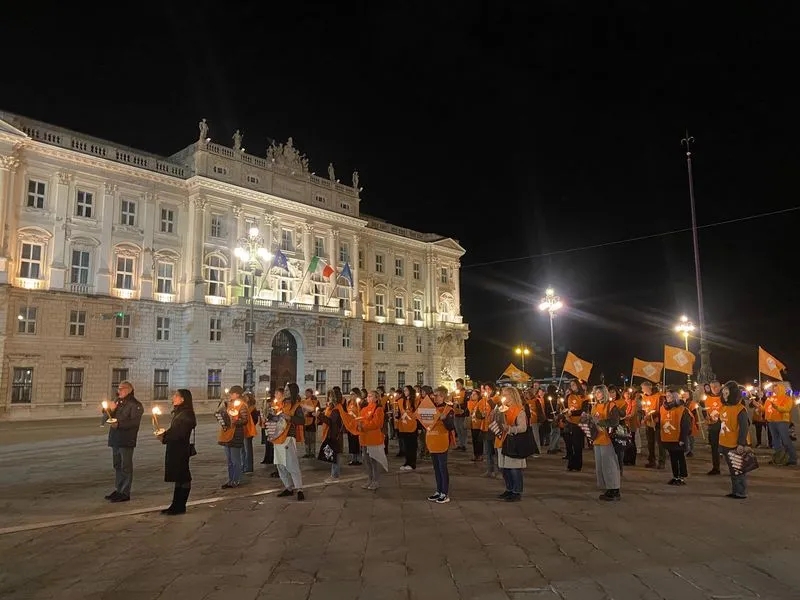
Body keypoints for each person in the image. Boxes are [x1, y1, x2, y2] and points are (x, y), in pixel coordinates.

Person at [158, 388, 197, 515]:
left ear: (182, 399)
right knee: (178, 477)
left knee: (183, 476)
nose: (173, 398)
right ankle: (175, 504)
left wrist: (164, 437)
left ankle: (180, 506)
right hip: (175, 448)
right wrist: (164, 434)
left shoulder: (186, 414)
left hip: (181, 448)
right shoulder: (180, 413)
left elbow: (180, 433)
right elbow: (174, 429)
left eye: (176, 396)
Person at [104, 380, 144, 503]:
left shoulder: (135, 404)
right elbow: (107, 416)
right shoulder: (117, 401)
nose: (118, 391)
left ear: (129, 390)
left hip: (126, 439)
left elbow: (134, 422)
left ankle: (125, 492)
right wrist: (109, 409)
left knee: (126, 466)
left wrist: (119, 424)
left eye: (121, 389)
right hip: (115, 438)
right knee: (117, 465)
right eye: (118, 388)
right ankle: (118, 489)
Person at [273, 383, 307, 500]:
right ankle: (288, 487)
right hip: (277, 437)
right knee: (280, 465)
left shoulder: (296, 406)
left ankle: (299, 489)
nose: (285, 391)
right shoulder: (281, 404)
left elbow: (302, 420)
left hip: (288, 437)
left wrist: (290, 418)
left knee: (292, 464)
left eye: (287, 390)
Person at [719, 381, 752, 499]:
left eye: (727, 392)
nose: (724, 395)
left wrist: (741, 443)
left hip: (735, 444)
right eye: (723, 393)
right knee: (732, 469)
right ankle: (735, 491)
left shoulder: (740, 409)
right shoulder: (723, 407)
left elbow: (744, 427)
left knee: (738, 469)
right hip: (725, 442)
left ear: (733, 393)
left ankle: (741, 492)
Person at [496, 387, 528, 502]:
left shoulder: (519, 410)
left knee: (514, 469)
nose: (503, 397)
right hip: (501, 441)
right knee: (504, 469)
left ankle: (517, 491)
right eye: (502, 394)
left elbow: (523, 428)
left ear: (513, 396)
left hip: (513, 443)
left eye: (506, 394)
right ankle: (509, 489)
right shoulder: (501, 409)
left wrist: (510, 429)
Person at [590, 385, 622, 501]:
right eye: (595, 393)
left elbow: (614, 421)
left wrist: (601, 422)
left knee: (610, 465)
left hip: (607, 439)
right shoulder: (594, 406)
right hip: (597, 438)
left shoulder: (611, 406)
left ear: (604, 393)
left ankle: (614, 489)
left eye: (599, 392)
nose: (597, 395)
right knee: (600, 465)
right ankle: (607, 486)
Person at [425, 386, 455, 503]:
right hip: (432, 441)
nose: (434, 397)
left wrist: (444, 419)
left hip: (442, 441)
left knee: (442, 468)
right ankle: (438, 490)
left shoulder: (448, 409)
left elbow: (451, 426)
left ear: (443, 396)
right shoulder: (432, 408)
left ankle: (444, 493)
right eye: (434, 395)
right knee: (436, 468)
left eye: (437, 395)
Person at [217, 385, 247, 489]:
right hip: (226, 434)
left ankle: (236, 480)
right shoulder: (228, 403)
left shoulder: (242, 405)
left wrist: (236, 421)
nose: (230, 394)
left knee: (235, 459)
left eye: (232, 393)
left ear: (237, 394)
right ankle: (230, 480)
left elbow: (245, 420)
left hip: (236, 434)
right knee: (229, 460)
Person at [661, 387, 692, 485]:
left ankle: (681, 477)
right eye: (667, 396)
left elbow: (686, 425)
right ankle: (675, 476)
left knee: (680, 457)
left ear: (675, 397)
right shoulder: (663, 408)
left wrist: (682, 438)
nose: (668, 398)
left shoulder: (682, 409)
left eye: (670, 396)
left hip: (678, 438)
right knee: (672, 458)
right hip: (668, 437)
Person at [359, 390, 387, 490]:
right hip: (364, 438)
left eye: (371, 396)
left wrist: (364, 425)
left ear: (376, 398)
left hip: (374, 439)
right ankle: (369, 479)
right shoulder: (364, 409)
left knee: (374, 460)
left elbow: (377, 423)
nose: (368, 398)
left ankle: (375, 480)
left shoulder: (378, 409)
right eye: (368, 396)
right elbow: (361, 419)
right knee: (366, 460)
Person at [764, 383, 797, 466]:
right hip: (771, 421)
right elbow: (766, 409)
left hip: (782, 421)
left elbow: (787, 408)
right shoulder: (770, 398)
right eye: (774, 388)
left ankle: (792, 459)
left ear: (781, 389)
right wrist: (759, 406)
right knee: (776, 442)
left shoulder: (787, 398)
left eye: (776, 388)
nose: (775, 390)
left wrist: (777, 407)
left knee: (785, 440)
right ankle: (779, 458)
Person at [319, 387, 346, 483]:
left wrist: (320, 416)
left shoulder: (337, 409)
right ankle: (334, 474)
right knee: (332, 454)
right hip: (330, 434)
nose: (329, 398)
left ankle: (335, 475)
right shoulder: (331, 408)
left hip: (334, 435)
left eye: (330, 396)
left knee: (335, 455)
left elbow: (331, 422)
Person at [565, 380, 590, 472]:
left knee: (577, 445)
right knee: (569, 444)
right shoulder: (569, 396)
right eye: (571, 385)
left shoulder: (584, 397)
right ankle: (570, 464)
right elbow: (564, 407)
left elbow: (583, 411)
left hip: (579, 423)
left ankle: (578, 465)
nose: (573, 386)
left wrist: (572, 413)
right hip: (569, 423)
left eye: (574, 384)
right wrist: (565, 414)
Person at [642, 381, 666, 469]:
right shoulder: (644, 397)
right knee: (650, 442)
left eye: (643, 388)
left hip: (658, 422)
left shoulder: (660, 396)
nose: (642, 390)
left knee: (660, 443)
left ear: (648, 388)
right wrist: (644, 416)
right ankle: (652, 460)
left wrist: (652, 415)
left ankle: (661, 461)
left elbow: (661, 409)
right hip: (649, 423)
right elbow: (644, 408)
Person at [704, 380, 723, 475]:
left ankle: (734, 468)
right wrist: (706, 417)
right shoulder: (707, 398)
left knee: (728, 448)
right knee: (714, 448)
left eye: (716, 386)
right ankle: (716, 467)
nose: (715, 388)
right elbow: (705, 411)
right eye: (712, 387)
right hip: (713, 427)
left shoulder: (724, 397)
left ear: (720, 386)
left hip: (724, 427)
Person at [398, 385, 419, 471]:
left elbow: (418, 414)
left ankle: (412, 463)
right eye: (404, 390)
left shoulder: (415, 401)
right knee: (406, 446)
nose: (405, 392)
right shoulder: (401, 401)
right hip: (404, 426)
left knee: (412, 446)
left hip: (413, 426)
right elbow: (400, 412)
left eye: (406, 390)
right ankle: (407, 462)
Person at [241, 392, 258, 474]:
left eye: (246, 397)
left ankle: (249, 467)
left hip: (249, 430)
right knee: (242, 449)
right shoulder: (243, 406)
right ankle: (243, 465)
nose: (244, 398)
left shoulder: (252, 408)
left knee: (248, 449)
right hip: (242, 430)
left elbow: (255, 420)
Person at [467, 388, 484, 462]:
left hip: (479, 424)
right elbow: (470, 411)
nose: (472, 395)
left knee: (479, 440)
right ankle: (475, 454)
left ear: (478, 396)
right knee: (474, 440)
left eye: (474, 394)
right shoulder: (470, 402)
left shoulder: (481, 402)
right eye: (472, 394)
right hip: (473, 424)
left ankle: (480, 455)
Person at [302, 388, 320, 458]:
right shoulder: (304, 401)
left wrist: (309, 413)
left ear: (311, 394)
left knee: (312, 438)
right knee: (306, 438)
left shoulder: (315, 401)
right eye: (306, 393)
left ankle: (312, 452)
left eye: (308, 393)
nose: (306, 394)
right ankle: (307, 452)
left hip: (312, 422)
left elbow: (317, 410)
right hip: (305, 421)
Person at [451, 378, 468, 451]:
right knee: (457, 429)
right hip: (456, 413)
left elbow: (466, 403)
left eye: (458, 384)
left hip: (462, 414)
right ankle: (460, 444)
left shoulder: (465, 392)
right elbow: (451, 401)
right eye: (456, 384)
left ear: (462, 384)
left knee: (462, 429)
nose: (457, 385)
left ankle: (464, 445)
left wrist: (460, 406)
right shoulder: (454, 393)